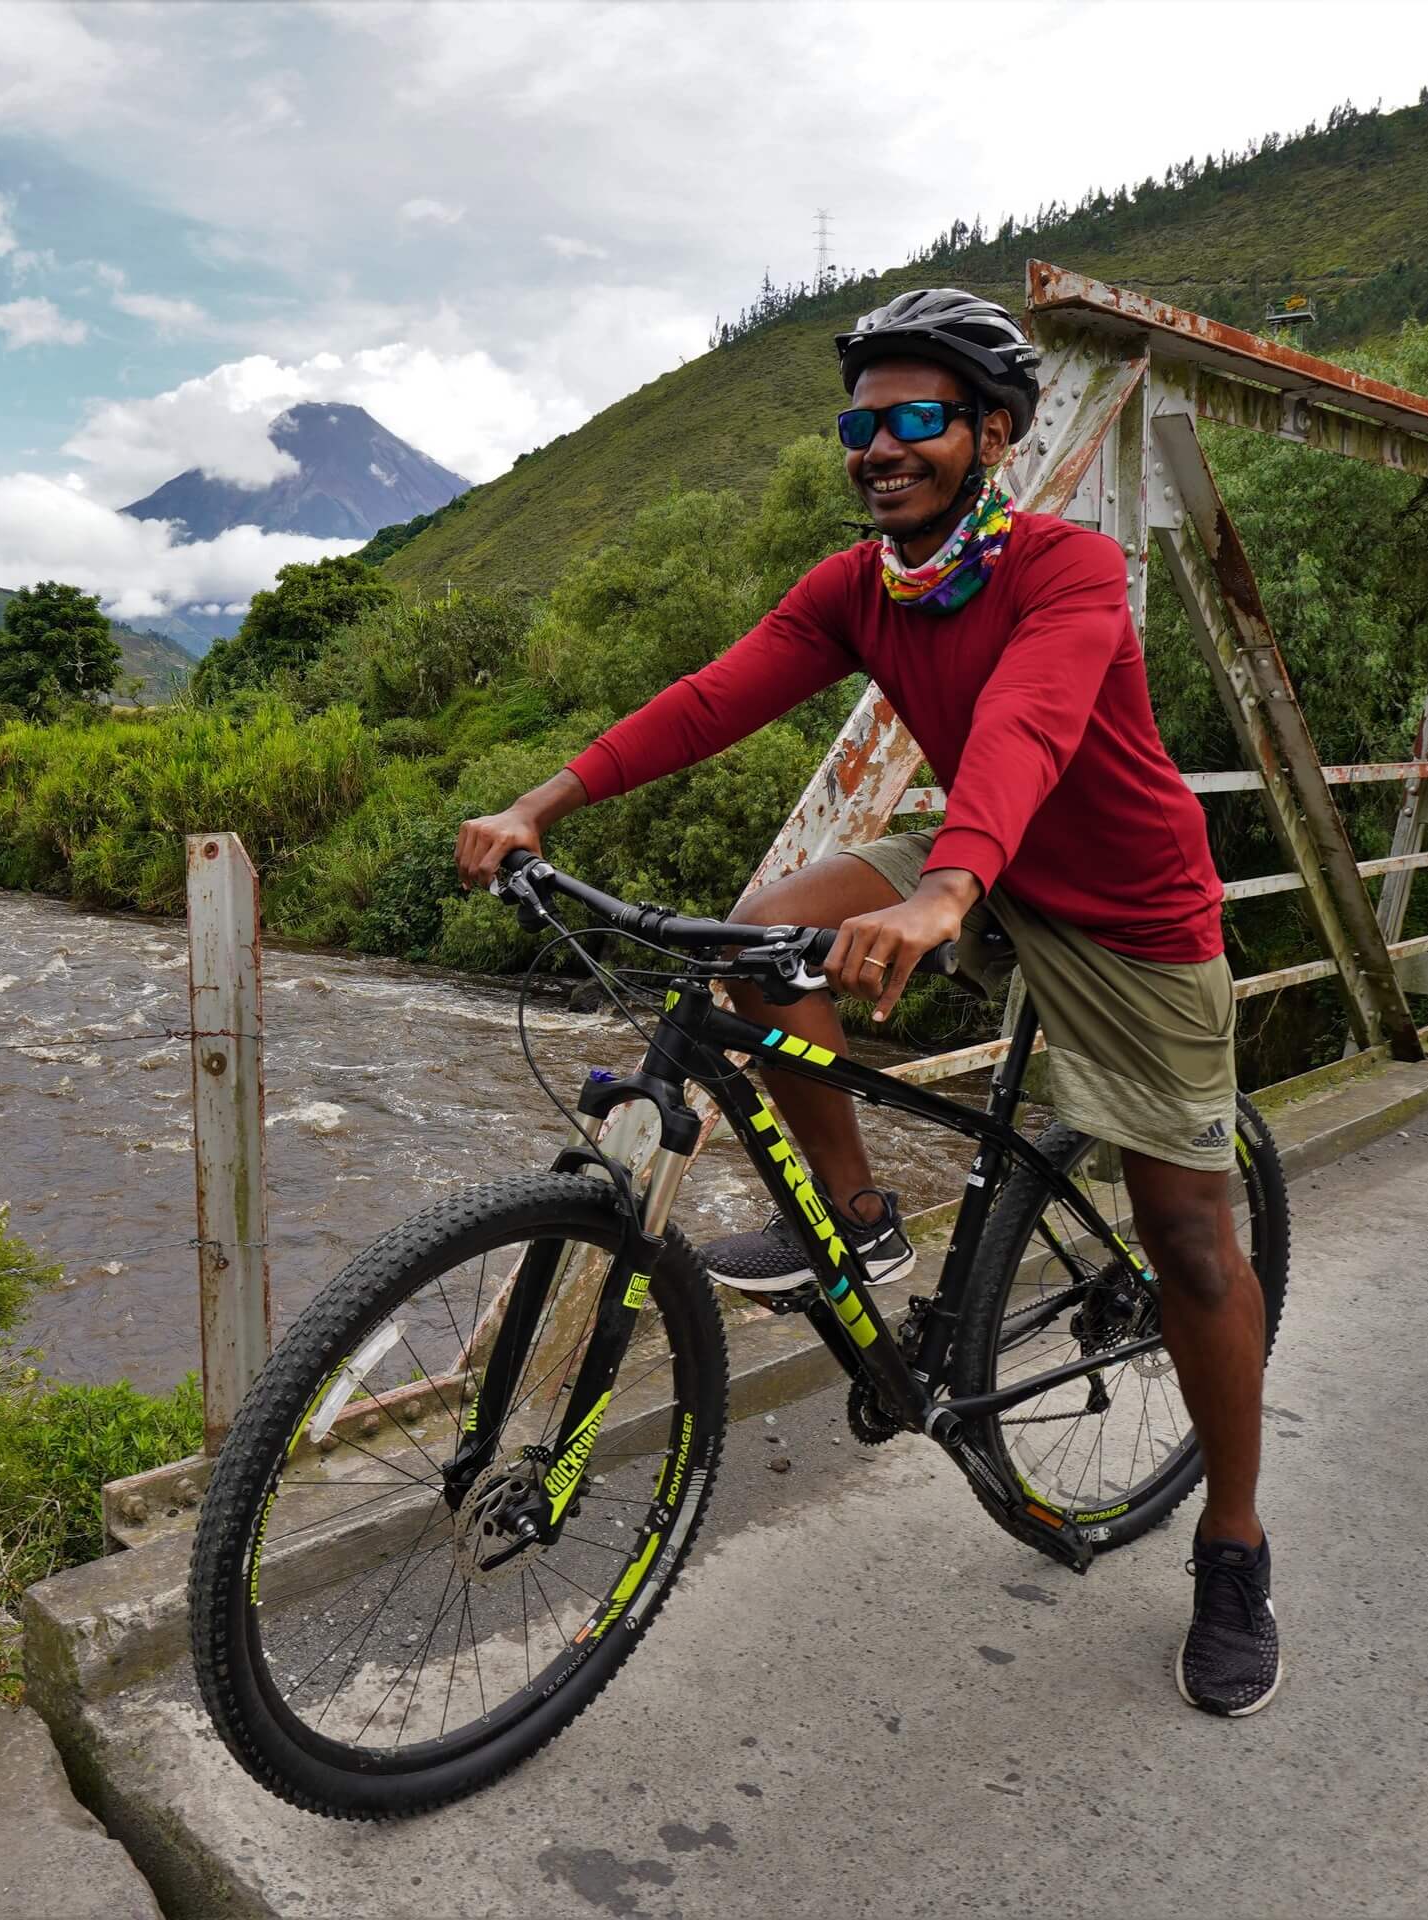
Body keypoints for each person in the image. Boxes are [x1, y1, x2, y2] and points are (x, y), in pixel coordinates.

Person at [453, 289, 1280, 1718]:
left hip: (1129, 913)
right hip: (979, 867)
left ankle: (1233, 1544)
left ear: (993, 435)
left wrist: (944, 893)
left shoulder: (1068, 572)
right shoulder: (862, 589)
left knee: (1192, 1241)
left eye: (915, 420)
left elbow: (1027, 728)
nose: (879, 446)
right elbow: (714, 698)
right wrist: (543, 798)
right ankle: (861, 1219)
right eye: (861, 423)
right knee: (762, 938)